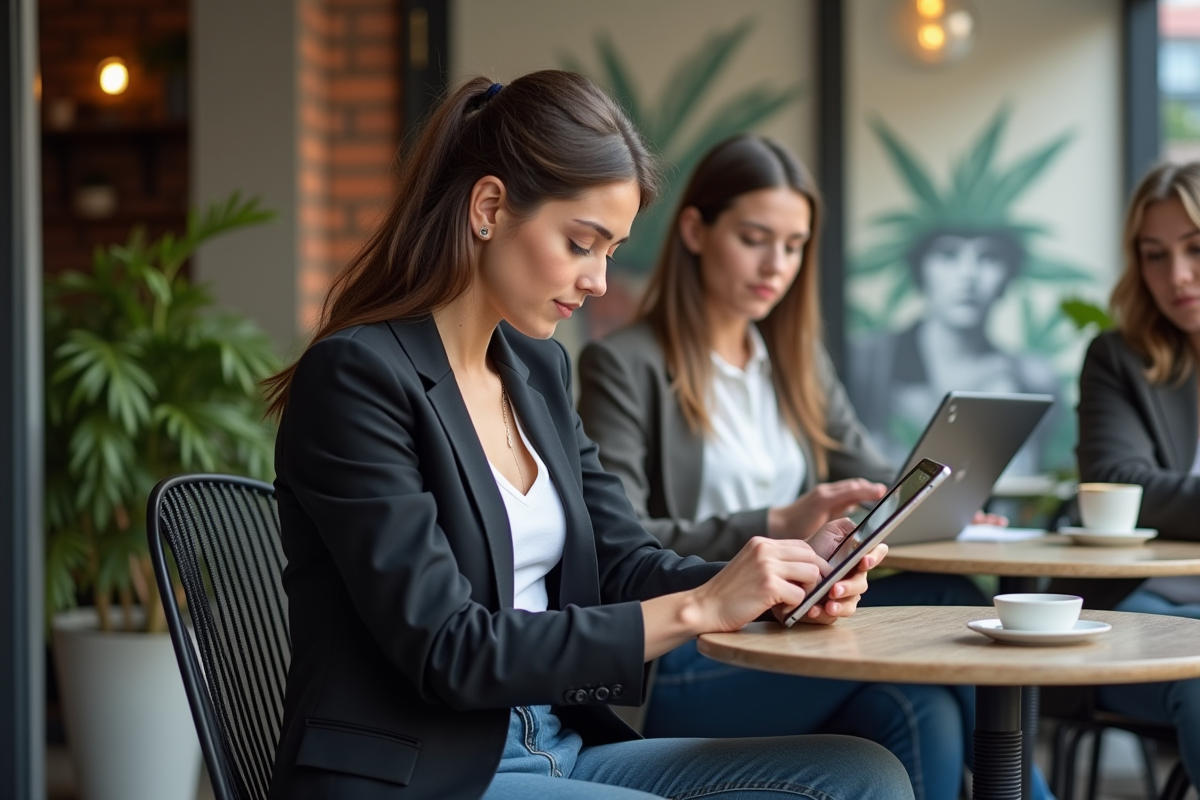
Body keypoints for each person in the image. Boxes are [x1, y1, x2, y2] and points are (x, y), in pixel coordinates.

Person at [262, 73, 914, 800]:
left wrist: (773, 582)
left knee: (865, 776)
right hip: (424, 773)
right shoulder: (358, 377)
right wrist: (701, 607)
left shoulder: (537, 371)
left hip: (557, 746)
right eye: (581, 244)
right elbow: (447, 648)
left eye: (611, 251)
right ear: (488, 208)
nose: (600, 281)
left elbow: (622, 563)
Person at [577, 135, 1022, 800]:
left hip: (789, 631)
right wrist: (777, 522)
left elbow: (872, 475)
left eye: (793, 246)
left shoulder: (794, 361)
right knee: (948, 601)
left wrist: (944, 505)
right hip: (691, 655)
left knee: (919, 705)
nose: (776, 265)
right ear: (695, 231)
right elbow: (620, 540)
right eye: (754, 239)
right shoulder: (624, 364)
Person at [1076, 161, 1200, 786]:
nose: (1176, 275)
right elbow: (1119, 483)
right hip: (1149, 605)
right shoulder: (1119, 358)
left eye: (1195, 248)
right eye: (1155, 255)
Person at [850, 226, 1060, 474]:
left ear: (1007, 276)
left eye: (988, 257)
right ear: (920, 270)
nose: (968, 275)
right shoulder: (868, 362)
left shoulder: (1034, 377)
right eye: (948, 255)